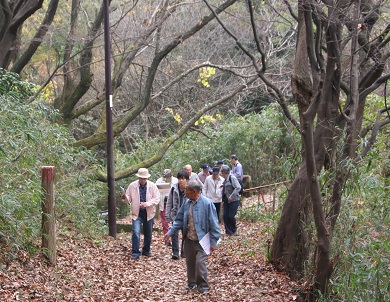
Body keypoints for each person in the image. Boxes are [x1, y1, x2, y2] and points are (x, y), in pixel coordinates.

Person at [165, 180, 220, 294]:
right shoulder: (187, 203)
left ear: (194, 191)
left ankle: (203, 286)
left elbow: (214, 224)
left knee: (200, 263)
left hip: (203, 239)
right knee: (190, 262)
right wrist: (170, 232)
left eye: (187, 190)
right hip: (189, 238)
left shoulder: (207, 204)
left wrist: (214, 242)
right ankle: (191, 283)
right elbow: (179, 219)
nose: (185, 193)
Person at [121, 168, 160, 260]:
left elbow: (157, 198)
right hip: (137, 213)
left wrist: (147, 203)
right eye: (141, 178)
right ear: (138, 177)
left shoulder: (152, 186)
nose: (142, 180)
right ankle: (135, 252)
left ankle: (146, 251)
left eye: (144, 178)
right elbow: (128, 199)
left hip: (149, 212)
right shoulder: (132, 186)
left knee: (148, 233)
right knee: (136, 231)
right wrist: (124, 198)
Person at [166, 170, 190, 259]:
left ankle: (184, 252)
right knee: (174, 234)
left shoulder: (189, 189)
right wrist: (167, 215)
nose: (181, 181)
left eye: (183, 179)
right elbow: (169, 202)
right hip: (175, 215)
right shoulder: (173, 188)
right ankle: (175, 253)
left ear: (186, 180)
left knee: (185, 235)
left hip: (186, 216)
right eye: (180, 178)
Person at [155, 169, 178, 246]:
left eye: (168, 177)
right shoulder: (159, 181)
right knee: (164, 223)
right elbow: (156, 192)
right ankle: (167, 240)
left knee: (174, 221)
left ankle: (174, 240)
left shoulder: (175, 181)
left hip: (173, 204)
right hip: (163, 203)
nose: (166, 179)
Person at [220, 165, 241, 236]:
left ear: (224, 172)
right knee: (225, 216)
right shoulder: (225, 179)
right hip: (226, 200)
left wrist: (232, 196)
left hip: (234, 200)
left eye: (222, 172)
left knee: (231, 216)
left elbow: (238, 187)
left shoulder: (232, 178)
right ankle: (228, 231)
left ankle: (234, 230)